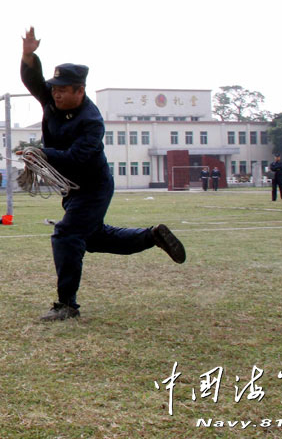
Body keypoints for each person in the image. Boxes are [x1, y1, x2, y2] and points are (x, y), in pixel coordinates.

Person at [19, 27, 186, 322]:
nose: (55, 93)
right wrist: (29, 54)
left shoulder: (92, 122)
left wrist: (43, 154)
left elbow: (75, 159)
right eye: (54, 88)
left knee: (67, 235)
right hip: (72, 190)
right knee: (92, 238)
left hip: (92, 187)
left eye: (62, 89)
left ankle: (67, 305)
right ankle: (152, 236)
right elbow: (33, 80)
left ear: (79, 91)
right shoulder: (52, 100)